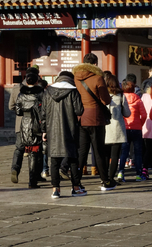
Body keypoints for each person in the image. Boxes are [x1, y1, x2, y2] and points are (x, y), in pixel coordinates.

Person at [73, 54, 114, 191]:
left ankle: (77, 181)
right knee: (99, 151)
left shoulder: (76, 78)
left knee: (82, 152)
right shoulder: (98, 78)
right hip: (96, 117)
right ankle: (105, 180)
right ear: (95, 64)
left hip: (81, 118)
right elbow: (106, 100)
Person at [43, 70, 85, 198]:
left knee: (54, 161)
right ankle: (76, 188)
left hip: (53, 130)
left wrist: (44, 130)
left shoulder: (48, 92)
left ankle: (56, 190)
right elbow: (79, 111)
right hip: (70, 129)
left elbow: (43, 113)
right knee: (73, 160)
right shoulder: (73, 91)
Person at [8, 68, 47, 186]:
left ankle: (15, 169)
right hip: (36, 125)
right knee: (36, 151)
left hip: (22, 124)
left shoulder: (17, 90)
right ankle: (34, 177)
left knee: (19, 148)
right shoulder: (40, 93)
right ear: (37, 79)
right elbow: (43, 110)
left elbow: (13, 108)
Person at [103, 72, 130, 183]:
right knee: (115, 156)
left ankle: (103, 178)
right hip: (117, 129)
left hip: (104, 129)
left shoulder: (102, 95)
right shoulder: (121, 96)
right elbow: (127, 113)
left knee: (105, 155)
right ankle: (110, 178)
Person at [120, 80, 146, 181]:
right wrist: (140, 124)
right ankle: (139, 174)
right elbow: (144, 115)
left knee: (124, 152)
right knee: (138, 152)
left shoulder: (121, 99)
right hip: (136, 128)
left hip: (125, 128)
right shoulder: (138, 100)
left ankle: (121, 172)